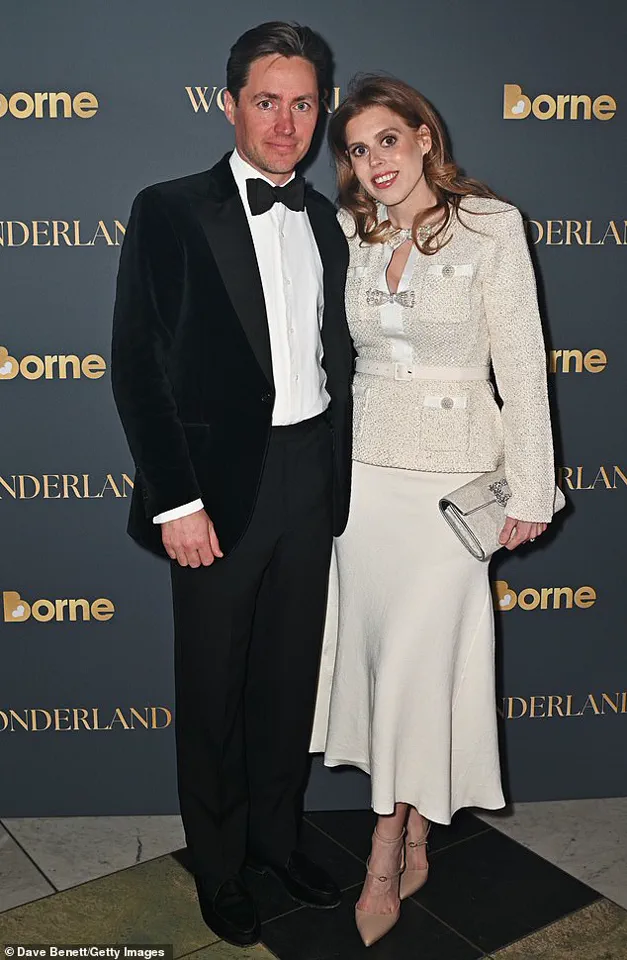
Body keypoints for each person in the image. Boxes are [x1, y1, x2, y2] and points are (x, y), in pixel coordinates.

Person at [111, 22, 353, 949]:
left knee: (287, 683)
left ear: (321, 110)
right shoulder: (169, 209)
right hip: (213, 491)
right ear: (229, 106)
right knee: (213, 688)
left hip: (309, 477)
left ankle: (277, 841)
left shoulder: (327, 220)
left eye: (302, 104)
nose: (285, 123)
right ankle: (218, 867)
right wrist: (175, 500)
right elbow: (138, 366)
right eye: (266, 101)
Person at [310, 75, 557, 947]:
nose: (372, 161)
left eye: (386, 139)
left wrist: (531, 489)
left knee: (421, 667)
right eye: (356, 149)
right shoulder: (348, 231)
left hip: (452, 488)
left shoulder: (491, 226)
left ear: (424, 136)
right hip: (362, 481)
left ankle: (385, 848)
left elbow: (521, 367)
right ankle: (412, 826)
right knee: (386, 668)